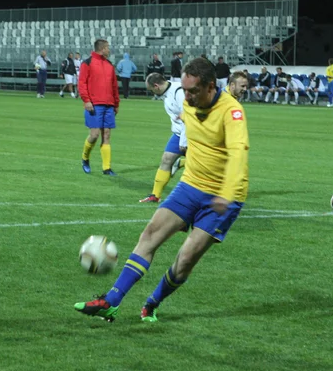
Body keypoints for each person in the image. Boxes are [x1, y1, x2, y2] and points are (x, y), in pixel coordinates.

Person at [74, 57, 249, 323]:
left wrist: (226, 192)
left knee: (186, 259)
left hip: (224, 196)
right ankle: (111, 301)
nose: (187, 97)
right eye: (185, 90)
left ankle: (153, 302)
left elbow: (238, 154)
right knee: (150, 234)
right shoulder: (188, 105)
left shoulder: (232, 111)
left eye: (193, 92)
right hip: (190, 186)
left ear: (211, 86)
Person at [139, 72, 187, 203]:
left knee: (203, 164)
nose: (153, 93)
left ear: (156, 86)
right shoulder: (167, 92)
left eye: (152, 90)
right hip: (178, 133)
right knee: (166, 160)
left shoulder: (179, 92)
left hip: (191, 134)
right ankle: (155, 195)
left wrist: (184, 141)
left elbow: (188, 117)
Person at [79, 39, 120, 176]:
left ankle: (106, 168)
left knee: (107, 134)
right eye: (108, 47)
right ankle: (85, 157)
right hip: (94, 104)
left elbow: (114, 86)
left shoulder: (109, 65)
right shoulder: (87, 63)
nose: (109, 50)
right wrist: (86, 100)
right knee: (94, 135)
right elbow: (82, 83)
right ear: (102, 48)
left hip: (108, 104)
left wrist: (116, 103)